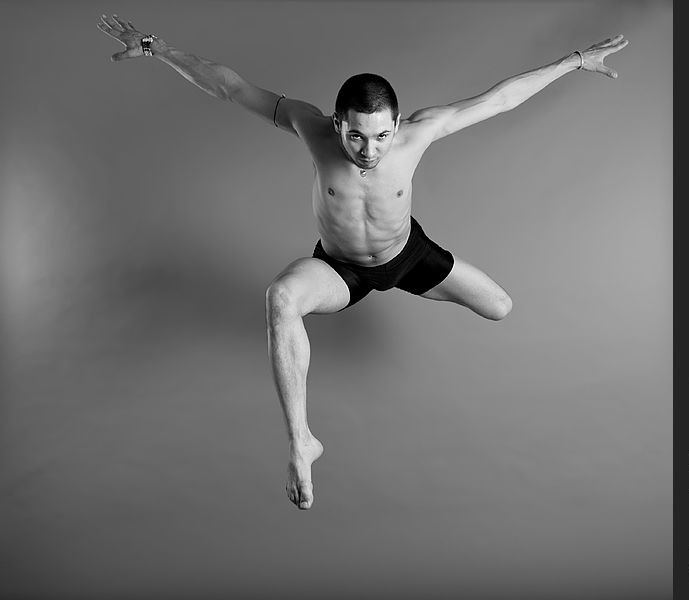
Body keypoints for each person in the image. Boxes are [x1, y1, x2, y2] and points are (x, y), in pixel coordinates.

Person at [98, 14, 628, 510]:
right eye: (355, 135)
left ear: (397, 124)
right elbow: (232, 87)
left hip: (408, 257)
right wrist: (156, 48)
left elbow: (500, 100)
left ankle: (409, 287)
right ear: (337, 123)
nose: (369, 151)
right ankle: (302, 441)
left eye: (380, 135)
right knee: (280, 298)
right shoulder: (310, 127)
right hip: (340, 269)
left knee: (501, 307)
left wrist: (575, 60)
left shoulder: (420, 132)